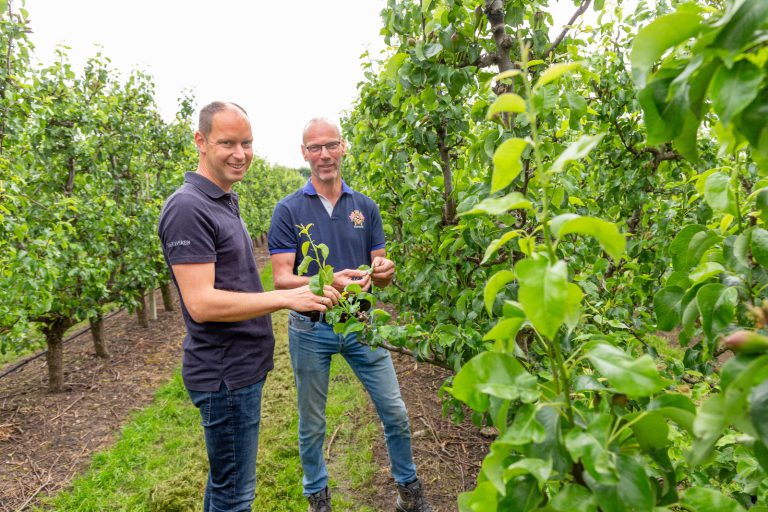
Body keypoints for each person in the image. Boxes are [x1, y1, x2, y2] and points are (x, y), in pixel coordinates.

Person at [157, 102, 340, 512]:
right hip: (225, 374)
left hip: (239, 369)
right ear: (200, 142)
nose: (240, 153)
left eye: (247, 143)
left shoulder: (223, 199)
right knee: (235, 494)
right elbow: (201, 303)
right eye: (227, 142)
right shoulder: (188, 207)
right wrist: (284, 298)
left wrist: (320, 282)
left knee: (226, 485)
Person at [268, 117, 432, 512]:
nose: (324, 154)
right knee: (312, 422)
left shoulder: (365, 207)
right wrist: (322, 283)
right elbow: (280, 279)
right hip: (311, 329)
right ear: (304, 154)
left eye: (331, 145)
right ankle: (317, 498)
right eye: (315, 147)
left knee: (394, 410)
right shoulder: (288, 210)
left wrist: (385, 272)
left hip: (361, 326)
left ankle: (408, 492)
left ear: (343, 147)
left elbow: (379, 271)